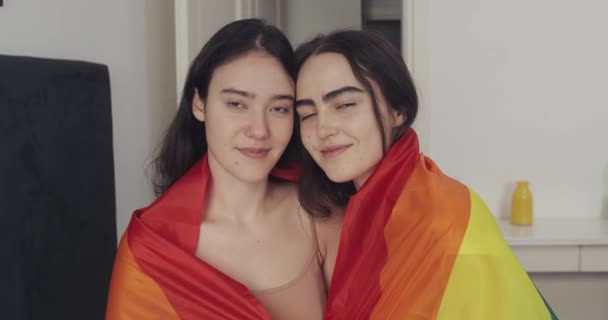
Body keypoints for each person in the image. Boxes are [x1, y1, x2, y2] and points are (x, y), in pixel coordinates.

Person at [294, 30, 558, 319]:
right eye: (307, 114)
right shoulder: (340, 210)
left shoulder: (445, 218)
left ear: (398, 110)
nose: (322, 129)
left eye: (344, 105)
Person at [106, 19, 340, 320]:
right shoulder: (153, 249)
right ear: (199, 104)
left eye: (279, 108)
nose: (259, 130)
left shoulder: (320, 213)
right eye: (237, 104)